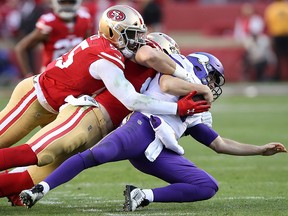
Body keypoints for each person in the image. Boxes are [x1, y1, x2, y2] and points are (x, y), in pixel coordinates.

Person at [19, 52, 287, 210]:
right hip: (140, 127)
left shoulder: (199, 106)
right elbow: (168, 85)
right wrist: (199, 88)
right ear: (201, 70)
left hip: (157, 150)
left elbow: (218, 143)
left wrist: (259, 150)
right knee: (95, 155)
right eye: (213, 78)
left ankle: (142, 196)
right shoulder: (182, 73)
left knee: (207, 186)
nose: (213, 86)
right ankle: (39, 188)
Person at [0, 32, 211, 206]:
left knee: (34, 177)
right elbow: (148, 57)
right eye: (171, 57)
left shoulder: (156, 76)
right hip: (86, 113)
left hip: (99, 127)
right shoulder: (148, 55)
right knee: (41, 152)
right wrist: (187, 78)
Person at [0, 5, 205, 150]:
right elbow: (131, 99)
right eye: (132, 34)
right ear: (112, 33)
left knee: (44, 153)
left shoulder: (113, 48)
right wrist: (176, 108)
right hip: (37, 97)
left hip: (58, 105)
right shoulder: (107, 56)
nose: (138, 40)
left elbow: (147, 54)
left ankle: (13, 185)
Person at [14, 0, 93, 78]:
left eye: (70, 2)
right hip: (52, 77)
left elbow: (88, 49)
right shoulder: (49, 23)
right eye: (63, 2)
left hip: (76, 75)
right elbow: (21, 48)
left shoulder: (84, 20)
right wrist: (28, 76)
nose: (66, 6)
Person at [264, 0, 288, 81]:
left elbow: (268, 22)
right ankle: (278, 75)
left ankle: (278, 76)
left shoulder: (272, 8)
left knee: (278, 57)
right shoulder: (281, 7)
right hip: (280, 35)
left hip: (278, 35)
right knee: (278, 57)